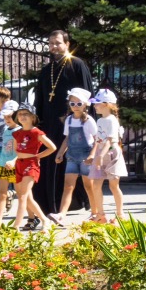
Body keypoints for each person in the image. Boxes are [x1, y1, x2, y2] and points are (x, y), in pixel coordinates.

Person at [33, 30, 94, 215]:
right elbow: (41, 98)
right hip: (50, 124)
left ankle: (75, 202)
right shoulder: (47, 70)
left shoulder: (77, 65)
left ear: (67, 44)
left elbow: (86, 94)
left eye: (57, 43)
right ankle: (51, 202)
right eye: (51, 43)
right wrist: (39, 121)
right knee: (52, 161)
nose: (54, 47)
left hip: (71, 123)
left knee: (71, 162)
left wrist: (80, 118)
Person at [50, 88, 97, 226]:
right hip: (71, 156)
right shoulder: (69, 120)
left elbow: (97, 140)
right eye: (72, 103)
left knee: (89, 186)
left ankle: (95, 213)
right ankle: (61, 215)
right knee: (68, 186)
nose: (75, 106)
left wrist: (92, 155)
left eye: (79, 103)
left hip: (85, 156)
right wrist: (60, 153)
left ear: (85, 105)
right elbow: (67, 138)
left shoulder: (89, 121)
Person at [10, 102, 58, 231]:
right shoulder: (16, 134)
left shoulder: (37, 133)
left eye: (26, 114)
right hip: (19, 165)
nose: (22, 116)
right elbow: (16, 150)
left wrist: (37, 156)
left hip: (31, 166)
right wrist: (14, 160)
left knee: (23, 197)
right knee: (27, 197)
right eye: (20, 114)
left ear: (33, 117)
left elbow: (52, 147)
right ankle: (44, 219)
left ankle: (16, 226)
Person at [87, 89, 128, 222]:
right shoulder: (99, 121)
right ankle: (101, 215)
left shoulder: (111, 120)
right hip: (101, 152)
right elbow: (98, 140)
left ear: (106, 104)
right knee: (96, 185)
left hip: (111, 153)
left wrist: (100, 155)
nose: (95, 106)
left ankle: (120, 214)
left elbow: (110, 140)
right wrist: (94, 155)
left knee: (113, 185)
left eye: (97, 103)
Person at [0, 99, 20, 224]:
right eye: (5, 117)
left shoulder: (20, 131)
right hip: (3, 164)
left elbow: (20, 151)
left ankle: (32, 216)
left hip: (15, 166)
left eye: (10, 116)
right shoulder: (5, 129)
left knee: (22, 194)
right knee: (2, 193)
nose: (7, 119)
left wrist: (14, 161)